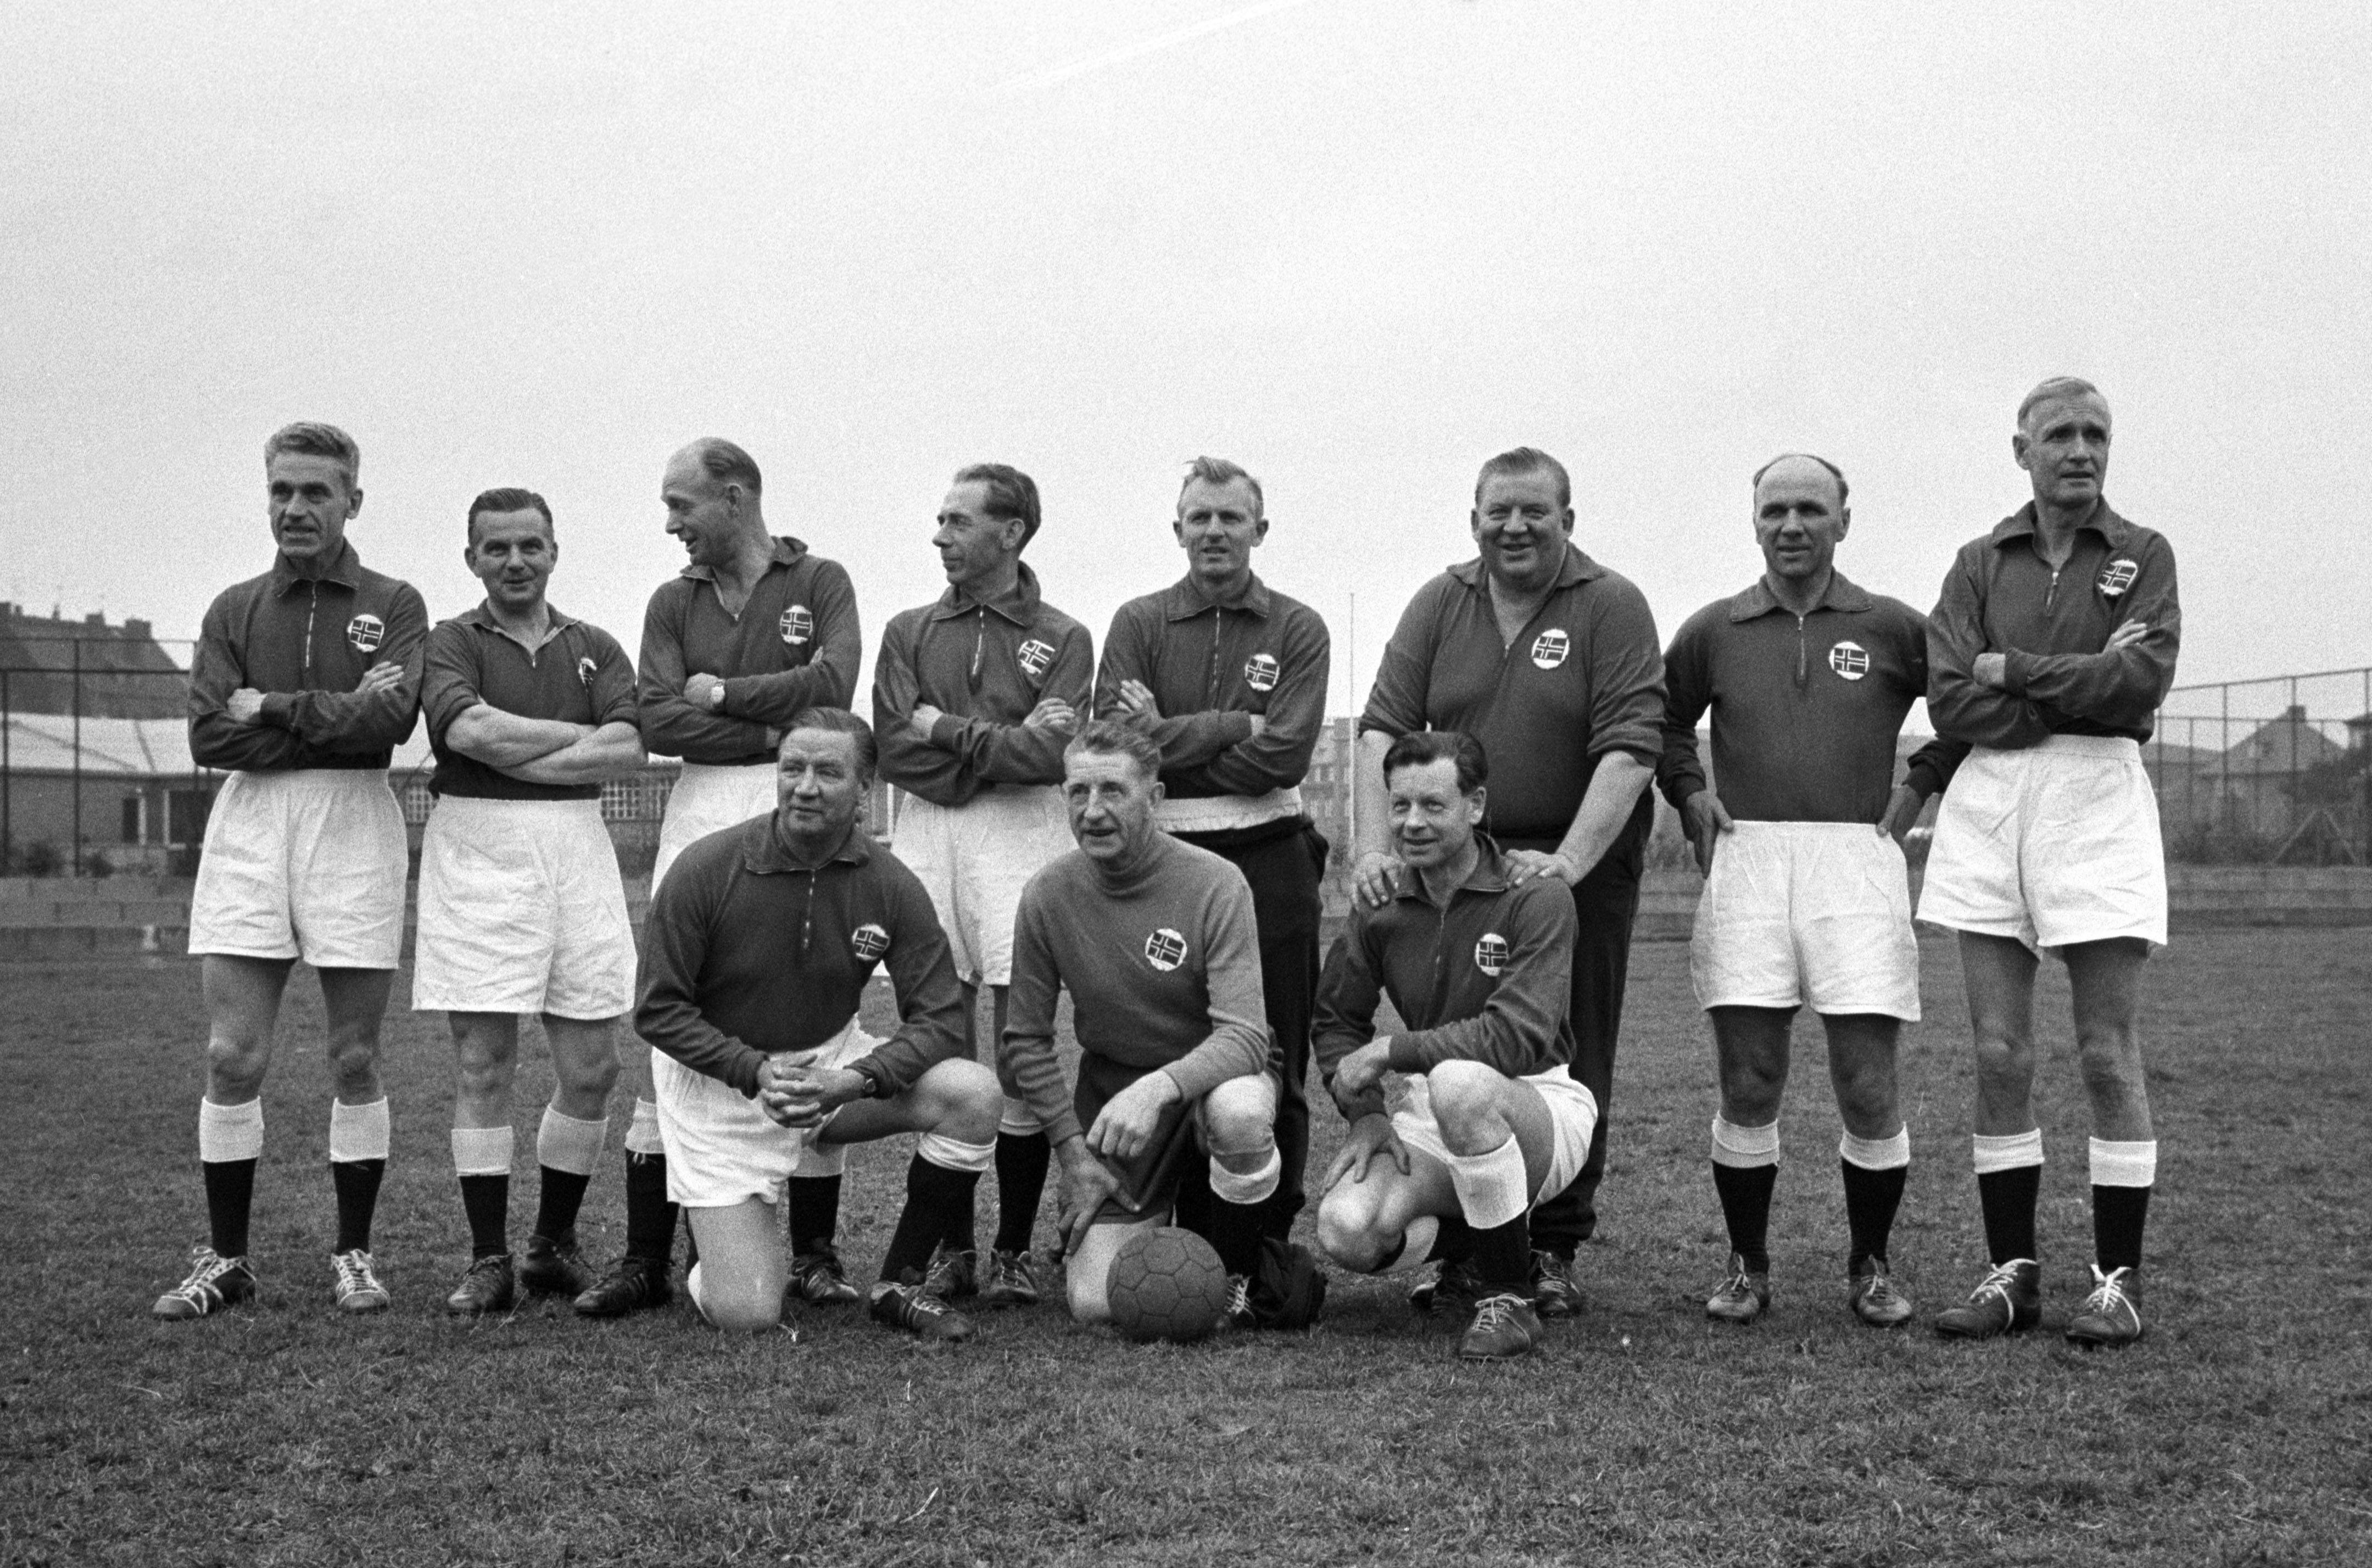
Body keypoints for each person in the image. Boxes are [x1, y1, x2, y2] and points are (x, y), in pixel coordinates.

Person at [1659, 454, 1967, 1329]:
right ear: (1751, 521)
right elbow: (1662, 721)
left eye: (1808, 508)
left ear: (1842, 519)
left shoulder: (1892, 625)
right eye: (1773, 510)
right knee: (1749, 1076)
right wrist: (1688, 791)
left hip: (1855, 855)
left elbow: (1964, 711)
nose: (1790, 524)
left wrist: (1921, 780)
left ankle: (1869, 1263)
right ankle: (1746, 1262)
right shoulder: (1713, 628)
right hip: (1748, 852)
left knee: (1866, 1081)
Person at [1355, 447, 1664, 1314]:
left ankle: (1553, 1244)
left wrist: (1565, 862)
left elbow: (1631, 745)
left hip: (1574, 862)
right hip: (1459, 854)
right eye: (1498, 511)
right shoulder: (1438, 600)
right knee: (1451, 1039)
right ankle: (1463, 1245)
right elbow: (1381, 728)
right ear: (1473, 518)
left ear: (1568, 517)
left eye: (1534, 510)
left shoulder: (1609, 603)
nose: (1514, 526)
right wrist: (1380, 847)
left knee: (1566, 1045)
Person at [1919, 378, 2180, 1349]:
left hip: (2096, 797)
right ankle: (2011, 1273)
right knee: (1996, 1051)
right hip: (1990, 797)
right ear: (2019, 448)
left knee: (2105, 1051)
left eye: (2095, 434)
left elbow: (2139, 683)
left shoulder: (2142, 555)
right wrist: (2072, 689)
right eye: (2059, 435)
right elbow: (1951, 699)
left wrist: (2017, 668)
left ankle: (2114, 1279)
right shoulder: (1976, 562)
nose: (2079, 450)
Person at [581, 438, 860, 1319]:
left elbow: (835, 686)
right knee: (681, 1017)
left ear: (735, 498)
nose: (670, 524)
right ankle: (642, 1256)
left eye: (681, 504)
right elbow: (657, 716)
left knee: (816, 1015)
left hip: (805, 811)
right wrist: (764, 720)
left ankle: (812, 1252)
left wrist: (721, 697)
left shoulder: (820, 581)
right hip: (701, 813)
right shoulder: (673, 600)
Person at [157, 421, 426, 1319]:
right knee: (233, 1054)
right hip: (251, 822)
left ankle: (354, 1252)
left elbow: (383, 729)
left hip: (353, 822)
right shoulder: (233, 609)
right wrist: (335, 710)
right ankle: (227, 1258)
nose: (295, 508)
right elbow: (208, 734)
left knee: (353, 1053)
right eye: (281, 490)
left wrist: (271, 705)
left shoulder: (394, 603)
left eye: (315, 492)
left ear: (353, 499)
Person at [635, 710, 999, 1340]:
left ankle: (898, 1283)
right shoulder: (705, 868)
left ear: (865, 790)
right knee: (750, 1311)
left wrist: (854, 1078)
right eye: (792, 768)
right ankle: (714, 1255)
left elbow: (940, 1016)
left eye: (828, 771)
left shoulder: (888, 883)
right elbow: (657, 1008)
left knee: (972, 1092)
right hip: (722, 1086)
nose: (804, 785)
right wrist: (751, 1068)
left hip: (828, 1071)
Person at [999, 721, 1324, 1329]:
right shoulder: (1046, 894)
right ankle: (1173, 1217)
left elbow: (1248, 1035)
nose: (1092, 810)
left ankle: (1235, 1271)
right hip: (1114, 1093)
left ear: (1154, 798)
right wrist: (1074, 1155)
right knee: (1098, 1302)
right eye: (1076, 792)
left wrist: (1159, 1087)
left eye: (1112, 791)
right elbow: (1025, 1040)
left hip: (1210, 1077)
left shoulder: (1215, 881)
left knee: (1241, 1113)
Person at [412, 488, 647, 1316]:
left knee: (593, 1065)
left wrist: (530, 747)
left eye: (530, 546)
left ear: (554, 551)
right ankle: (488, 1255)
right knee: (484, 1063)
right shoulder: (450, 640)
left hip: (577, 845)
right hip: (478, 844)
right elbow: (468, 734)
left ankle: (550, 1243)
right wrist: (570, 740)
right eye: (497, 548)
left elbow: (629, 744)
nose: (515, 561)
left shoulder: (596, 644)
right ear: (472, 556)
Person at [872, 464, 1092, 1309]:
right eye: (937, 518)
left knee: (1020, 1033)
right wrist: (986, 748)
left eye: (957, 520)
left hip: (1022, 833)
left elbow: (1048, 759)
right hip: (928, 828)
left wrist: (948, 729)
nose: (938, 534)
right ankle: (952, 1248)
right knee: (938, 1028)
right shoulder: (905, 629)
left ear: (1011, 532)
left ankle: (1011, 1247)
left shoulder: (1065, 635)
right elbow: (895, 746)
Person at [1097, 456, 1331, 1243]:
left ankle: (1263, 1239)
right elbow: (1119, 748)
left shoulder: (1297, 626)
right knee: (1171, 1035)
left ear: (1259, 529)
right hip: (1161, 857)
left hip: (1270, 850)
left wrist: (1168, 727)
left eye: (1230, 517)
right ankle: (1166, 1214)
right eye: (1198, 516)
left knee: (1273, 1050)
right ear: (1176, 530)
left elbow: (1286, 757)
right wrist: (1235, 723)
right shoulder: (1137, 621)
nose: (1214, 531)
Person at [1312, 732, 1596, 1360]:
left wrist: (1391, 1051)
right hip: (1432, 1109)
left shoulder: (1535, 893)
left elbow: (1515, 1038)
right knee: (1346, 1228)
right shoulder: (1379, 903)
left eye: (1433, 805)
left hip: (1536, 1103)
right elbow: (1335, 1020)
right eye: (1399, 805)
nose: (1411, 822)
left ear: (1474, 804)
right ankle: (1471, 1252)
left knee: (1459, 1083)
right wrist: (1365, 1115)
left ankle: (1508, 1298)